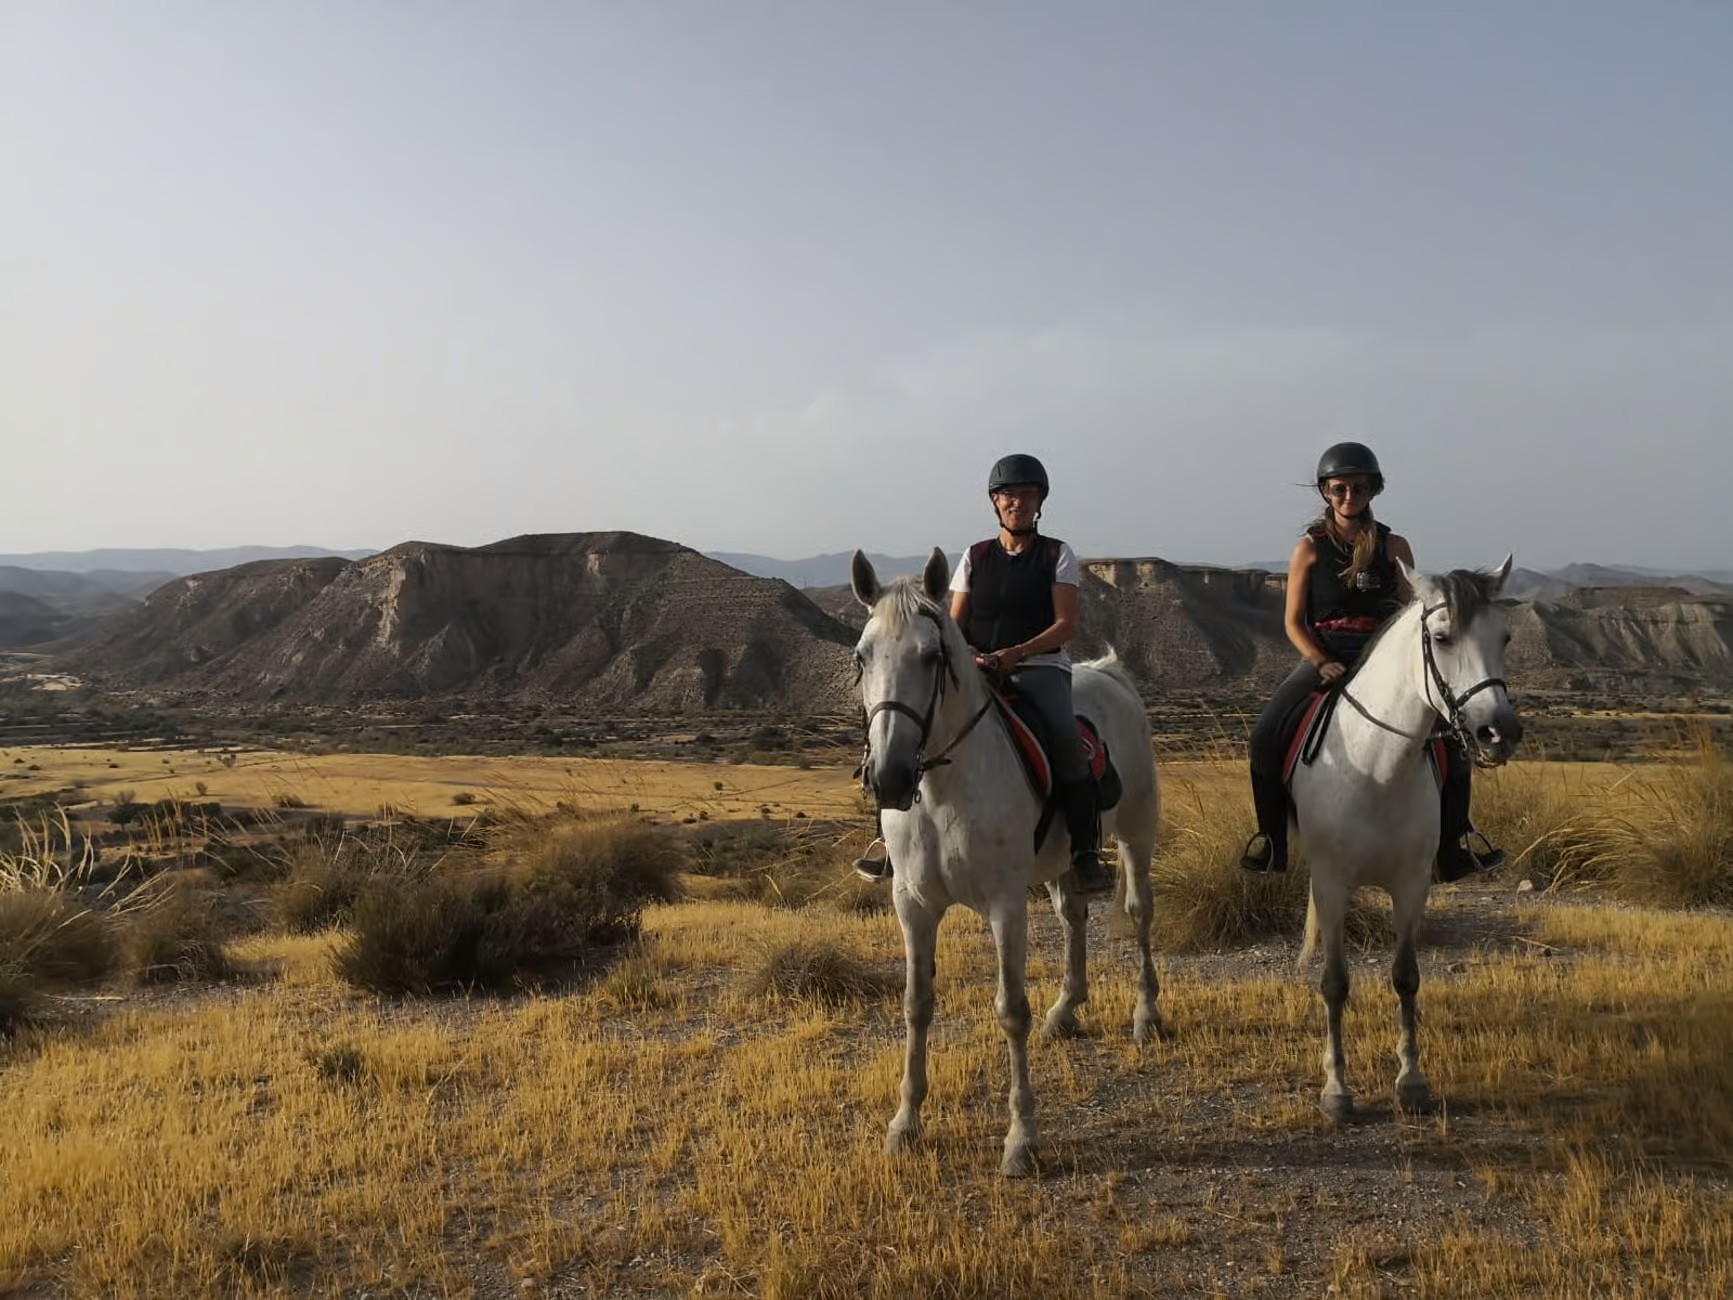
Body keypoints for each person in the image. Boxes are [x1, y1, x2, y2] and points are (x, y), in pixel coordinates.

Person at [1239, 441, 1505, 881]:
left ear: (1373, 490)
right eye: (1339, 488)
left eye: (1359, 488)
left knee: (1452, 743)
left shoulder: (1394, 545)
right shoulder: (1309, 548)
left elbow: (1410, 613)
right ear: (1326, 491)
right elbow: (1293, 623)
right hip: (1327, 652)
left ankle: (1456, 843)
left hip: (1384, 658)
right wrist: (1319, 660)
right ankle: (1271, 842)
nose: (1349, 496)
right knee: (1266, 735)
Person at [855, 453, 1114, 896]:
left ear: (1039, 503)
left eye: (1027, 495)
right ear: (995, 503)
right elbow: (953, 624)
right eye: (1008, 495)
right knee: (905, 733)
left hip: (1040, 668)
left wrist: (1017, 652)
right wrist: (972, 654)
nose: (1018, 503)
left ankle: (1085, 853)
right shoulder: (974, 557)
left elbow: (1065, 625)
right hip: (979, 671)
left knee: (1066, 741)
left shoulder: (1058, 554)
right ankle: (890, 840)